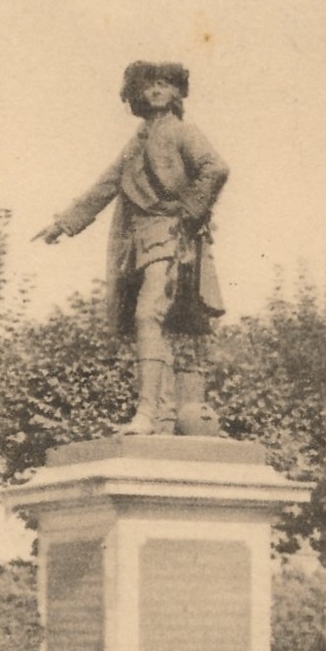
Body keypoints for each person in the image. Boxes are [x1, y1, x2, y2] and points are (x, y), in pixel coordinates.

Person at [33, 61, 230, 435]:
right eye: (148, 85)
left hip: (172, 237)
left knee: (147, 316)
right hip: (139, 242)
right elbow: (105, 185)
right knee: (151, 321)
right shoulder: (136, 143)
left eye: (164, 84)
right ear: (137, 94)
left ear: (176, 93)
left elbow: (215, 168)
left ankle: (146, 414)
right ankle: (163, 416)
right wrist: (63, 223)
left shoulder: (184, 132)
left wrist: (189, 212)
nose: (155, 91)